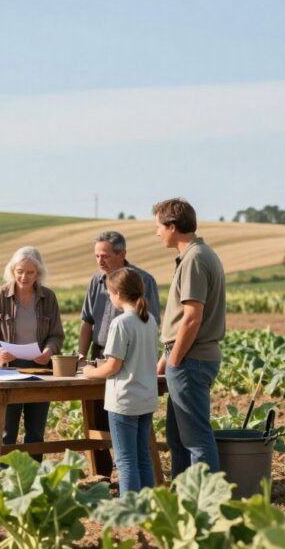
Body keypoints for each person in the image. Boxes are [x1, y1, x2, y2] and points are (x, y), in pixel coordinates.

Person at [153, 198, 226, 477]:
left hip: (191, 360)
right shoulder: (198, 255)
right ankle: (185, 492)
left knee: (195, 437)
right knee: (178, 436)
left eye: (159, 227)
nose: (157, 233)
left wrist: (175, 359)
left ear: (172, 226)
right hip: (187, 358)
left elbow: (192, 318)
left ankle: (205, 499)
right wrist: (166, 359)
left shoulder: (195, 259)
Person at [0, 246, 64, 457]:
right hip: (8, 371)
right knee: (6, 430)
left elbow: (56, 335)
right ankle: (4, 478)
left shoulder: (48, 298)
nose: (24, 277)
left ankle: (33, 477)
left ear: (38, 274)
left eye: (30, 272)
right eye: (20, 271)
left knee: (35, 431)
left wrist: (48, 351)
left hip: (40, 370)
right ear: (12, 270)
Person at [83, 267, 159, 495]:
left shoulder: (121, 323)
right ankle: (146, 503)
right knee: (142, 456)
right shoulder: (150, 319)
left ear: (117, 293)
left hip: (124, 400)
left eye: (109, 292)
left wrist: (88, 371)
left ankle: (130, 508)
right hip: (146, 398)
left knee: (125, 460)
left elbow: (113, 366)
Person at [78, 231, 160, 360]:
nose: (100, 261)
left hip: (130, 356)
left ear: (122, 254)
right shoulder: (95, 281)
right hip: (98, 355)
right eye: (97, 256)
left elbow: (152, 322)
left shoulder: (144, 280)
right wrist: (81, 357)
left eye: (105, 256)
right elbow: (87, 322)